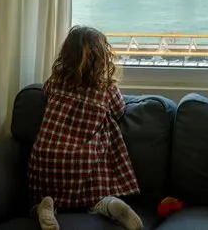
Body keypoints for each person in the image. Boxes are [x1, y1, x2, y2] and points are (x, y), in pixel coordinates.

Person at [27, 25, 143, 230]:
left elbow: (44, 92)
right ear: (102, 57)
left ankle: (46, 205)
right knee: (96, 169)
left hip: (44, 156)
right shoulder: (106, 88)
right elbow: (119, 111)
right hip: (80, 160)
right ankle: (106, 203)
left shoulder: (56, 80)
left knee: (44, 192)